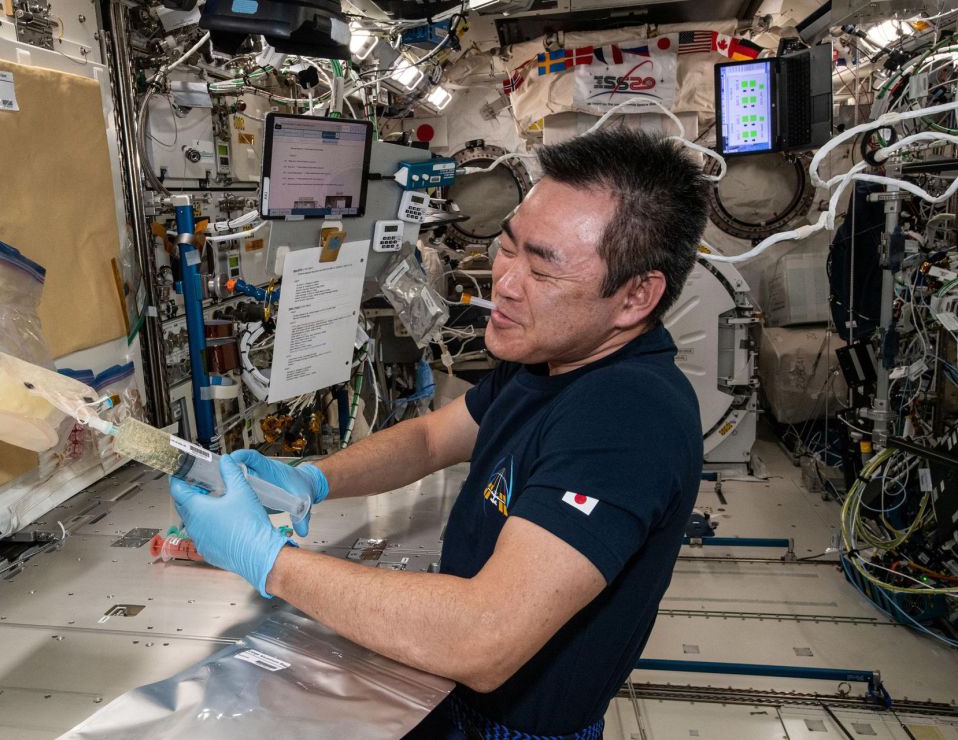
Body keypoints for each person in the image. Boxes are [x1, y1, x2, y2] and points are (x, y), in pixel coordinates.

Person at [170, 127, 711, 739]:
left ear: (637, 296)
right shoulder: (549, 356)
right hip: (443, 694)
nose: (502, 282)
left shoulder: (627, 415)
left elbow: (483, 636)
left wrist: (267, 560)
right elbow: (432, 439)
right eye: (508, 247)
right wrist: (313, 479)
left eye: (543, 270)